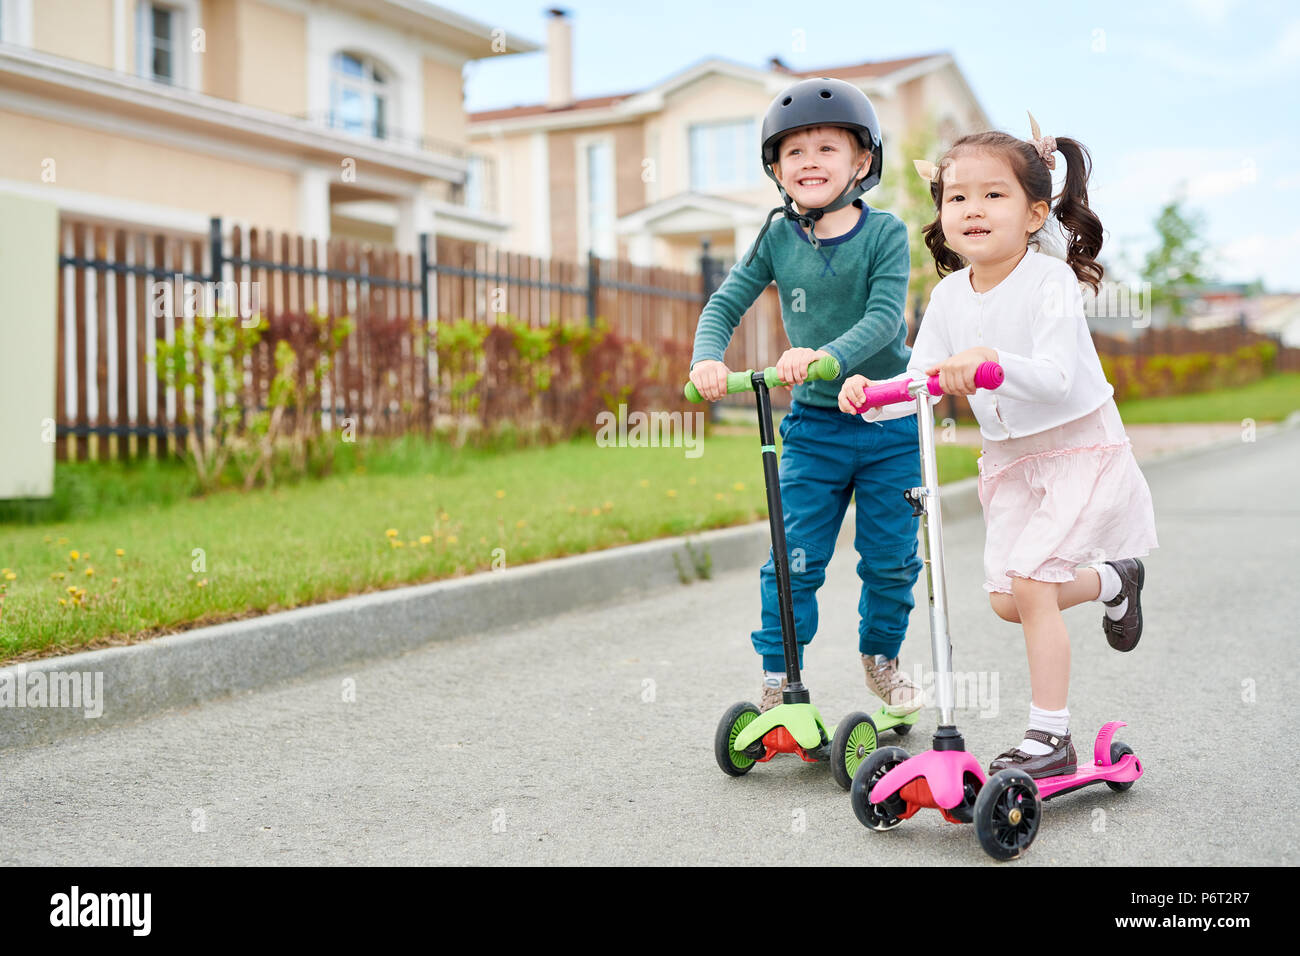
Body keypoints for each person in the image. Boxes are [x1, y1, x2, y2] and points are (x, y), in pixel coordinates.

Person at [838, 114, 1158, 777]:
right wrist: (872, 393)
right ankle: (1112, 581)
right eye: (957, 197)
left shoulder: (1050, 283)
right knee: (1007, 600)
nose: (972, 209)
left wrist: (990, 362)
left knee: (1033, 585)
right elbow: (920, 380)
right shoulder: (949, 295)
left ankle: (1050, 735)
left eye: (993, 195)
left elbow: (1056, 378)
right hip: (1011, 463)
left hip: (1076, 450)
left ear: (1035, 211)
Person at [689, 77, 923, 715]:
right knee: (792, 558)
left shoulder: (885, 234)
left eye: (827, 148)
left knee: (890, 559)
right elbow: (726, 301)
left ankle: (881, 658)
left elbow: (884, 319)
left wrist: (826, 357)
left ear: (861, 162)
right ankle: (780, 675)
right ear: (777, 169)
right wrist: (708, 358)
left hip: (889, 424)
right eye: (794, 151)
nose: (810, 162)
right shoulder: (776, 237)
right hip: (815, 431)